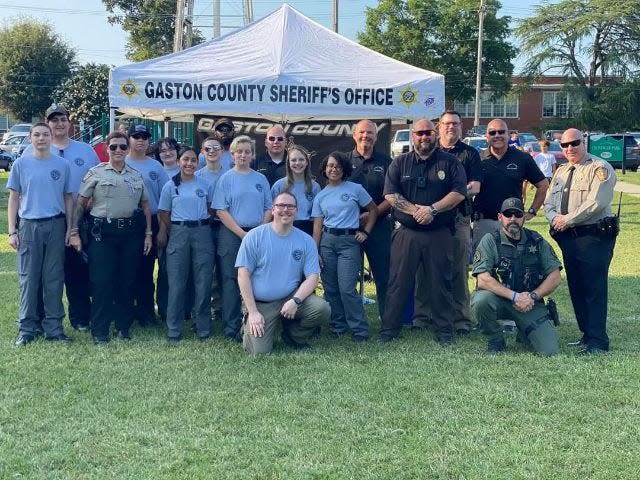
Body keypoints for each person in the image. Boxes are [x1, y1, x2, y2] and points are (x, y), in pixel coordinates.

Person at [379, 118, 466, 345]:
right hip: (406, 233)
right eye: (419, 133)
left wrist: (433, 210)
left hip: (439, 232)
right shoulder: (400, 163)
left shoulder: (450, 163)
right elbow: (390, 194)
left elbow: (459, 193)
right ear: (412, 136)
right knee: (398, 282)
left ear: (435, 134)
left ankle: (444, 332)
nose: (424, 137)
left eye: (428, 133)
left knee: (441, 282)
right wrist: (416, 211)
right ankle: (389, 330)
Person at [69, 131, 152, 344]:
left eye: (122, 147)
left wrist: (148, 234)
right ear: (107, 148)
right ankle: (100, 331)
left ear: (128, 149)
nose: (118, 151)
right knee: (101, 283)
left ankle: (123, 327)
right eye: (113, 146)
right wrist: (74, 232)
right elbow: (80, 204)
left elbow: (145, 206)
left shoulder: (135, 175)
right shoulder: (96, 173)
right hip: (102, 235)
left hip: (130, 235)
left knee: (127, 281)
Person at [22, 103, 100, 332]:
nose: (59, 124)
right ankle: (38, 319)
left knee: (78, 272)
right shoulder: (32, 150)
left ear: (69, 122)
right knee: (41, 273)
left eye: (63, 119)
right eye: (54, 120)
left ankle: (80, 318)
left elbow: (98, 181)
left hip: (80, 219)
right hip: (47, 219)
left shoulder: (86, 150)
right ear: (47, 123)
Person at [543, 128, 617, 355]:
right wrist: (554, 217)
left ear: (583, 142)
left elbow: (596, 202)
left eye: (574, 143)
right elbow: (549, 202)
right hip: (569, 237)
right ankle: (586, 334)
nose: (569, 149)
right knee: (576, 286)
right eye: (564, 145)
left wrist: (567, 219)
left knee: (594, 287)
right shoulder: (562, 171)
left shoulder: (599, 168)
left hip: (594, 236)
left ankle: (598, 341)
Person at [413, 110, 483, 335]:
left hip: (458, 219)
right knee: (423, 269)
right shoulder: (428, 151)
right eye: (446, 124)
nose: (450, 127)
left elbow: (474, 187)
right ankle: (422, 318)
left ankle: (460, 319)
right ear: (438, 128)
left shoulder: (470, 154)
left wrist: (442, 201)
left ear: (461, 127)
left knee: (457, 269)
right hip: (426, 220)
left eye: (455, 123)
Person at [238, 192, 331, 354]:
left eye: (290, 206)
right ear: (273, 210)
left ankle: (293, 336)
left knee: (322, 309)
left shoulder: (306, 240)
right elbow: (243, 275)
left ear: (296, 211)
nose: (285, 210)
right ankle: (248, 325)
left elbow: (313, 277)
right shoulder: (254, 237)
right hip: (261, 304)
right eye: (281, 205)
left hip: (290, 298)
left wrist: (295, 300)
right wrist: (252, 312)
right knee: (259, 353)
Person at [8, 123, 74, 346]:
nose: (41, 138)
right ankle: (27, 329)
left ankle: (54, 329)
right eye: (37, 134)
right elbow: (14, 199)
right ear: (30, 138)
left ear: (51, 136)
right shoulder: (20, 164)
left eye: (45, 134)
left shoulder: (62, 165)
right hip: (28, 226)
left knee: (53, 279)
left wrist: (70, 228)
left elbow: (68, 198)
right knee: (28, 278)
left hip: (55, 225)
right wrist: (12, 230)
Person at [470, 197, 561, 355]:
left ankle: (524, 331)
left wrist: (533, 296)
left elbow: (555, 276)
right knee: (480, 301)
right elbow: (483, 279)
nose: (513, 219)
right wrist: (515, 297)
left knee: (550, 351)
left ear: (524, 218)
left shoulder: (536, 241)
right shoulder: (491, 240)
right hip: (499, 300)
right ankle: (496, 338)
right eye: (508, 214)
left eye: (517, 215)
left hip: (530, 302)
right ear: (500, 217)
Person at [312, 151, 378, 341]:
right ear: (324, 169)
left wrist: (366, 231)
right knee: (331, 288)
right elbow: (317, 225)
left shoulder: (355, 189)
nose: (334, 169)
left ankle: (359, 329)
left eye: (338, 166)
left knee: (347, 288)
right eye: (330, 166)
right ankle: (338, 326)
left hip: (349, 243)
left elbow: (373, 210)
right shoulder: (321, 196)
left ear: (344, 169)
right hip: (327, 242)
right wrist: (315, 250)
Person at [212, 135, 272, 341]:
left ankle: (253, 323)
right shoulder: (226, 179)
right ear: (233, 154)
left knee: (256, 280)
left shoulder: (260, 179)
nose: (243, 155)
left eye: (247, 151)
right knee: (230, 281)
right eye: (239, 151)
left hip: (257, 234)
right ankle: (231, 328)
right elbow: (221, 210)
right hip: (231, 235)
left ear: (252, 155)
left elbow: (268, 207)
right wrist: (241, 234)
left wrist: (260, 231)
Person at [157, 147, 215, 342]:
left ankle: (203, 328)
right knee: (177, 283)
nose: (189, 164)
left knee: (203, 281)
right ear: (179, 162)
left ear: (197, 163)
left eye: (192, 160)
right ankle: (174, 329)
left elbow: (211, 209)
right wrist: (175, 229)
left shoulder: (205, 184)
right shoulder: (170, 186)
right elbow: (164, 212)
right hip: (178, 232)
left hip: (202, 232)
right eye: (185, 160)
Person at [472, 119, 549, 249]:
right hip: (483, 222)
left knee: (512, 265)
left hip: (512, 222)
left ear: (508, 135)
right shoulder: (477, 159)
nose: (497, 135)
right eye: (492, 132)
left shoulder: (522, 158)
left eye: (501, 132)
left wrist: (532, 211)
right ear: (486, 136)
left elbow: (543, 185)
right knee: (483, 266)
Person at [345, 119, 392, 319]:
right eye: (362, 132)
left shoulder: (387, 162)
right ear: (354, 135)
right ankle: (350, 320)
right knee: (347, 279)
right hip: (349, 228)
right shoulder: (343, 162)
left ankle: (388, 319)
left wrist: (372, 214)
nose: (366, 136)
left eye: (370, 133)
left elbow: (393, 196)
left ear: (376, 136)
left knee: (384, 277)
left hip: (380, 226)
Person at [126, 124, 170, 326]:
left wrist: (161, 229)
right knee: (126, 269)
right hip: (126, 220)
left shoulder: (156, 167)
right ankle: (127, 312)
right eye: (136, 136)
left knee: (145, 270)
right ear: (129, 139)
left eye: (144, 137)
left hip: (150, 219)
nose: (140, 140)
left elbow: (164, 202)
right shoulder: (121, 162)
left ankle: (146, 314)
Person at [196, 136, 227, 317]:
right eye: (208, 149)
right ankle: (205, 310)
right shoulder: (197, 176)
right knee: (205, 270)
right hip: (205, 228)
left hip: (226, 227)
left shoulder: (231, 174)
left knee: (225, 270)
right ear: (202, 152)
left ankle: (223, 308)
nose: (212, 151)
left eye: (216, 148)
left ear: (222, 152)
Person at [270, 144, 321, 236]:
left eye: (301, 159)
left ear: (307, 162)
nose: (297, 163)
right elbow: (271, 213)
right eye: (293, 160)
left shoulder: (315, 187)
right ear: (288, 163)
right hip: (282, 229)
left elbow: (317, 218)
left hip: (306, 230)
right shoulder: (279, 186)